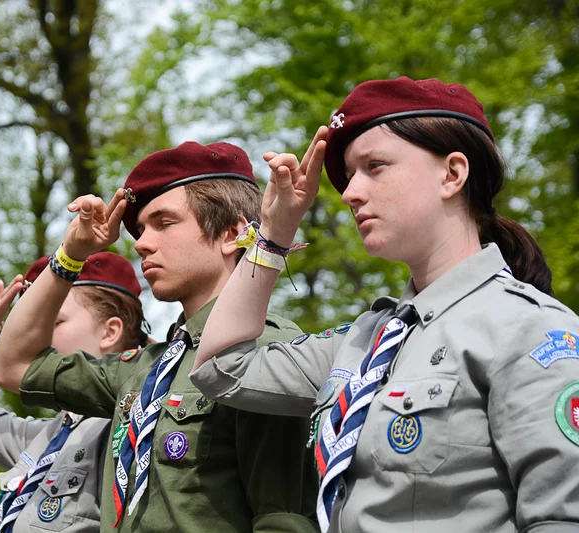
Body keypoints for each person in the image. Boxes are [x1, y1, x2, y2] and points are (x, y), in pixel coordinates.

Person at [190, 77, 579, 533]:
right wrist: (273, 237)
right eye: (350, 175)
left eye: (375, 166)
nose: (351, 192)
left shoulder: (528, 328)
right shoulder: (367, 342)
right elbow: (221, 368)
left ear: (452, 174)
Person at [0, 141, 318, 532]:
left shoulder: (267, 351)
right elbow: (11, 364)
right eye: (141, 229)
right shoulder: (146, 370)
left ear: (232, 233)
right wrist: (70, 255)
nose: (141, 243)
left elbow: (282, 518)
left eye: (164, 223)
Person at [0, 251, 146, 533]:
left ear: (109, 332)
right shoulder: (52, 436)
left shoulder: (137, 426)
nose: (37, 337)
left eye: (54, 323)